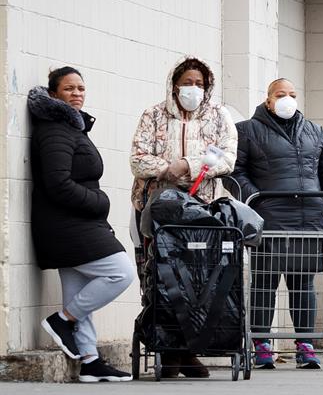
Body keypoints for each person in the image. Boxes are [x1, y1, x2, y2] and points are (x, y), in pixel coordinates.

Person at [130, 56, 237, 377]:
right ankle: (166, 347)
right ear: (174, 85)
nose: (193, 89)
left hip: (200, 209)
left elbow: (227, 156)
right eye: (187, 83)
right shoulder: (153, 114)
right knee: (159, 277)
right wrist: (167, 169)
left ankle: (188, 351)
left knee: (196, 280)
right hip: (156, 207)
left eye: (199, 84)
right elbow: (138, 158)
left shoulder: (219, 116)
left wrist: (189, 166)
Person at [30, 67, 135, 382]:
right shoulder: (55, 131)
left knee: (78, 289)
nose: (76, 94)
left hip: (72, 223)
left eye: (80, 88)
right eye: (68, 89)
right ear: (53, 95)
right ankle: (63, 320)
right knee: (121, 272)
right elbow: (58, 183)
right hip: (66, 225)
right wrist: (100, 203)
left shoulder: (70, 129)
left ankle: (89, 361)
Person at [232, 78, 323, 369]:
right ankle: (261, 345)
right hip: (269, 221)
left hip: (308, 220)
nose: (287, 99)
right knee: (264, 285)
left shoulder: (314, 131)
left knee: (303, 285)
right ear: (268, 100)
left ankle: (305, 345)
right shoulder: (247, 131)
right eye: (281, 94)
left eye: (292, 94)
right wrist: (256, 201)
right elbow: (236, 173)